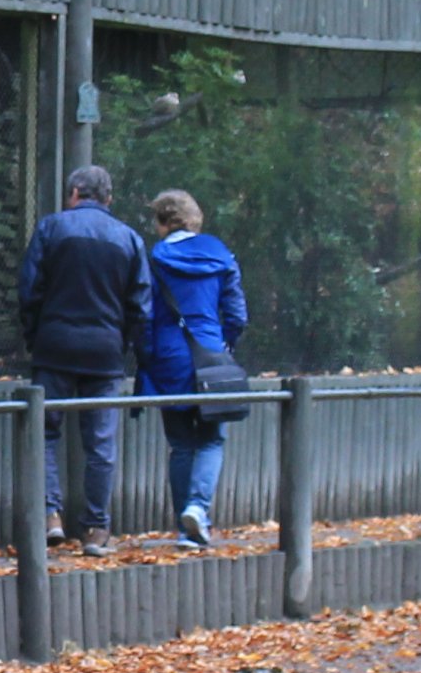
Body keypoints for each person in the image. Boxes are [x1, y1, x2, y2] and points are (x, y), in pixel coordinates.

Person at [16, 165, 149, 554]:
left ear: (74, 192)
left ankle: (49, 516)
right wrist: (124, 345)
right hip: (104, 353)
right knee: (100, 442)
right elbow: (141, 305)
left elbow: (30, 289)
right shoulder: (129, 238)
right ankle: (96, 529)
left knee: (44, 432)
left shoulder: (51, 228)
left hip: (55, 346)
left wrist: (36, 336)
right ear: (109, 199)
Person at [141, 188, 248, 548]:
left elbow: (144, 312)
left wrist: (149, 353)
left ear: (163, 222)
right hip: (210, 354)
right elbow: (237, 314)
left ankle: (184, 529)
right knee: (212, 438)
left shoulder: (155, 259)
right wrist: (223, 346)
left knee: (181, 444)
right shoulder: (220, 254)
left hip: (169, 358)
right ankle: (198, 509)